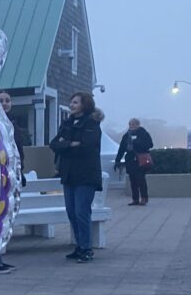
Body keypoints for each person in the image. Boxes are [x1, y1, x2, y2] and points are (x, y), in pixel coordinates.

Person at [50, 92, 103, 263]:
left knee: (82, 212)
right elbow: (54, 144)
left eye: (76, 102)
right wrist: (71, 143)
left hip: (85, 175)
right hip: (69, 175)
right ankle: (79, 246)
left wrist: (66, 144)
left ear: (84, 105)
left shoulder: (92, 123)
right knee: (72, 212)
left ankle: (86, 248)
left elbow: (87, 147)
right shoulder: (67, 123)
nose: (72, 105)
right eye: (71, 102)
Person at [0, 91, 25, 274]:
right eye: (0, 100)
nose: (4, 103)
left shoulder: (12, 125)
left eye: (7, 100)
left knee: (3, 220)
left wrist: (20, 173)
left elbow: (19, 152)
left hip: (9, 178)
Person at [113, 118, 154, 205]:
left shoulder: (143, 133)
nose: (131, 126)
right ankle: (135, 199)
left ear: (138, 125)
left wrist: (136, 142)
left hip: (140, 160)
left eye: (133, 124)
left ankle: (144, 198)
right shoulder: (126, 135)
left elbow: (150, 144)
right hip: (130, 160)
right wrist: (117, 160)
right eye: (130, 124)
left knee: (140, 179)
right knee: (133, 181)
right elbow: (121, 149)